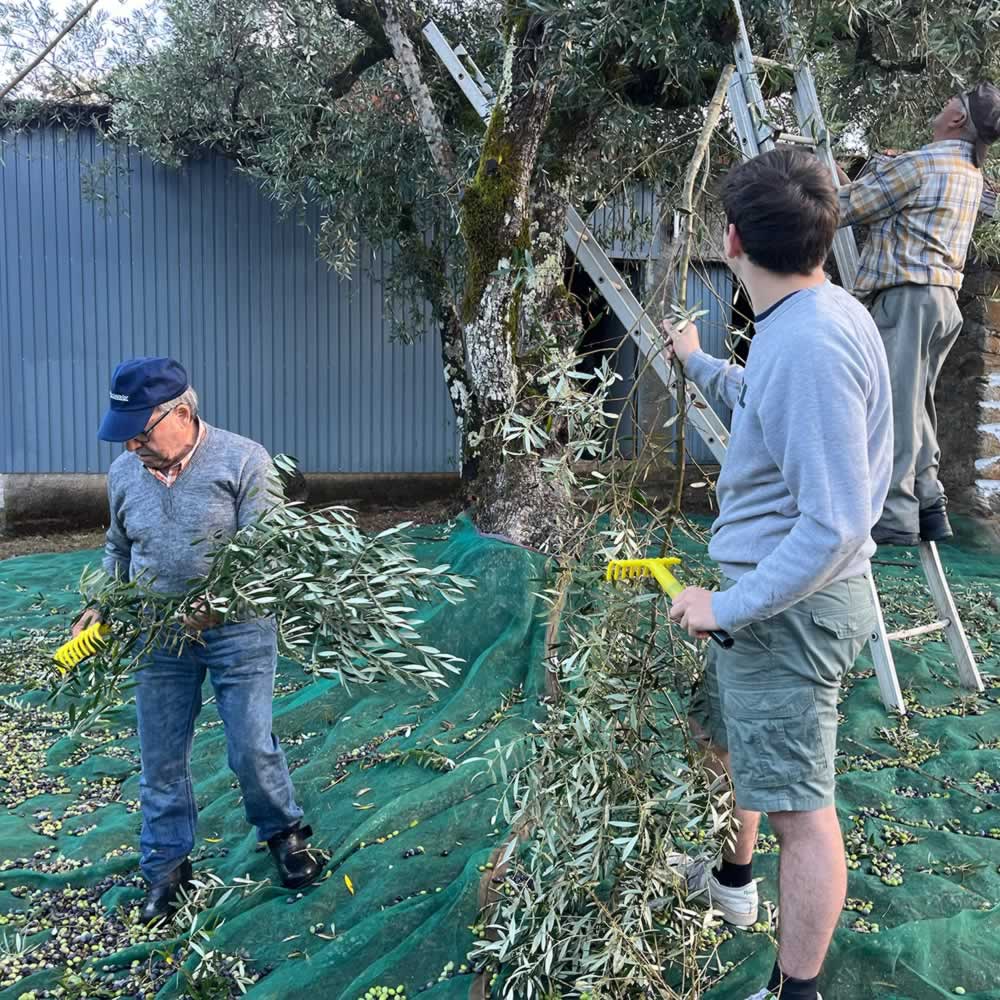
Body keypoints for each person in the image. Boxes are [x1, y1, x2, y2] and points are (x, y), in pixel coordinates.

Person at [662, 148, 892, 1000]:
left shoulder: (810, 344)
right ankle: (732, 880)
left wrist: (729, 605)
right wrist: (697, 362)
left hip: (788, 611)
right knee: (726, 745)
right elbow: (764, 399)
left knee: (804, 814)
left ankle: (796, 991)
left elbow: (835, 524)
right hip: (768, 605)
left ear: (730, 240)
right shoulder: (812, 317)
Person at [73, 357, 324, 923]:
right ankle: (166, 867)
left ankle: (284, 834)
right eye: (125, 435)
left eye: (141, 432)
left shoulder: (244, 459)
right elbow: (117, 548)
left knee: (249, 744)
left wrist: (222, 606)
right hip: (158, 634)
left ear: (182, 414)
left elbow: (266, 554)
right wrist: (100, 602)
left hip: (239, 630)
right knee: (160, 756)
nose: (132, 445)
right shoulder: (123, 474)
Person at [837, 82, 1000, 545]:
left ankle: (893, 513)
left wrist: (799, 181)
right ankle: (929, 502)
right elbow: (876, 202)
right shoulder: (969, 173)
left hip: (907, 300)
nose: (943, 103)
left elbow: (844, 209)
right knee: (917, 405)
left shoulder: (921, 164)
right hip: (941, 302)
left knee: (892, 407)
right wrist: (849, 178)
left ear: (958, 118)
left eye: (951, 101)